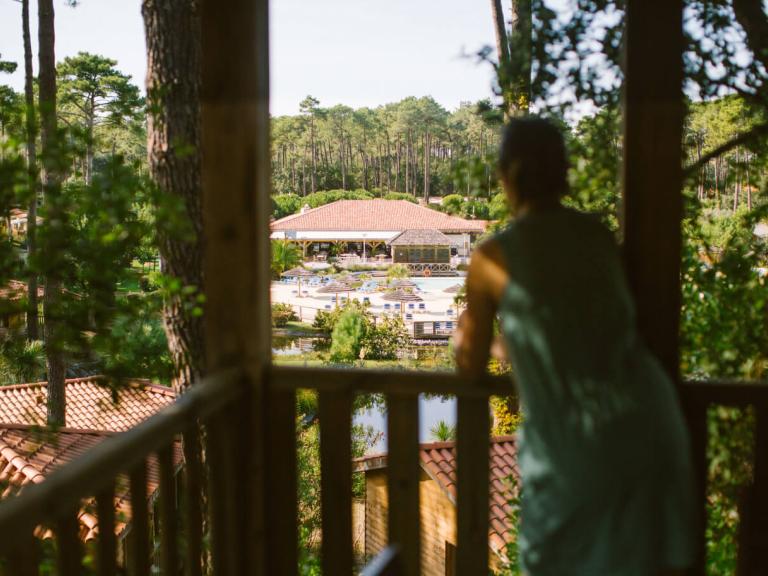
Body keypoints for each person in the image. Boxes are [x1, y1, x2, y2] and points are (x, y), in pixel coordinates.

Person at [454, 117, 695, 575]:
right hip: (653, 425)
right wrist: (510, 349)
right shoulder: (597, 237)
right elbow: (578, 334)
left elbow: (468, 365)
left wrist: (465, 338)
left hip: (577, 450)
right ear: (563, 172)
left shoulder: (493, 256)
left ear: (507, 175)